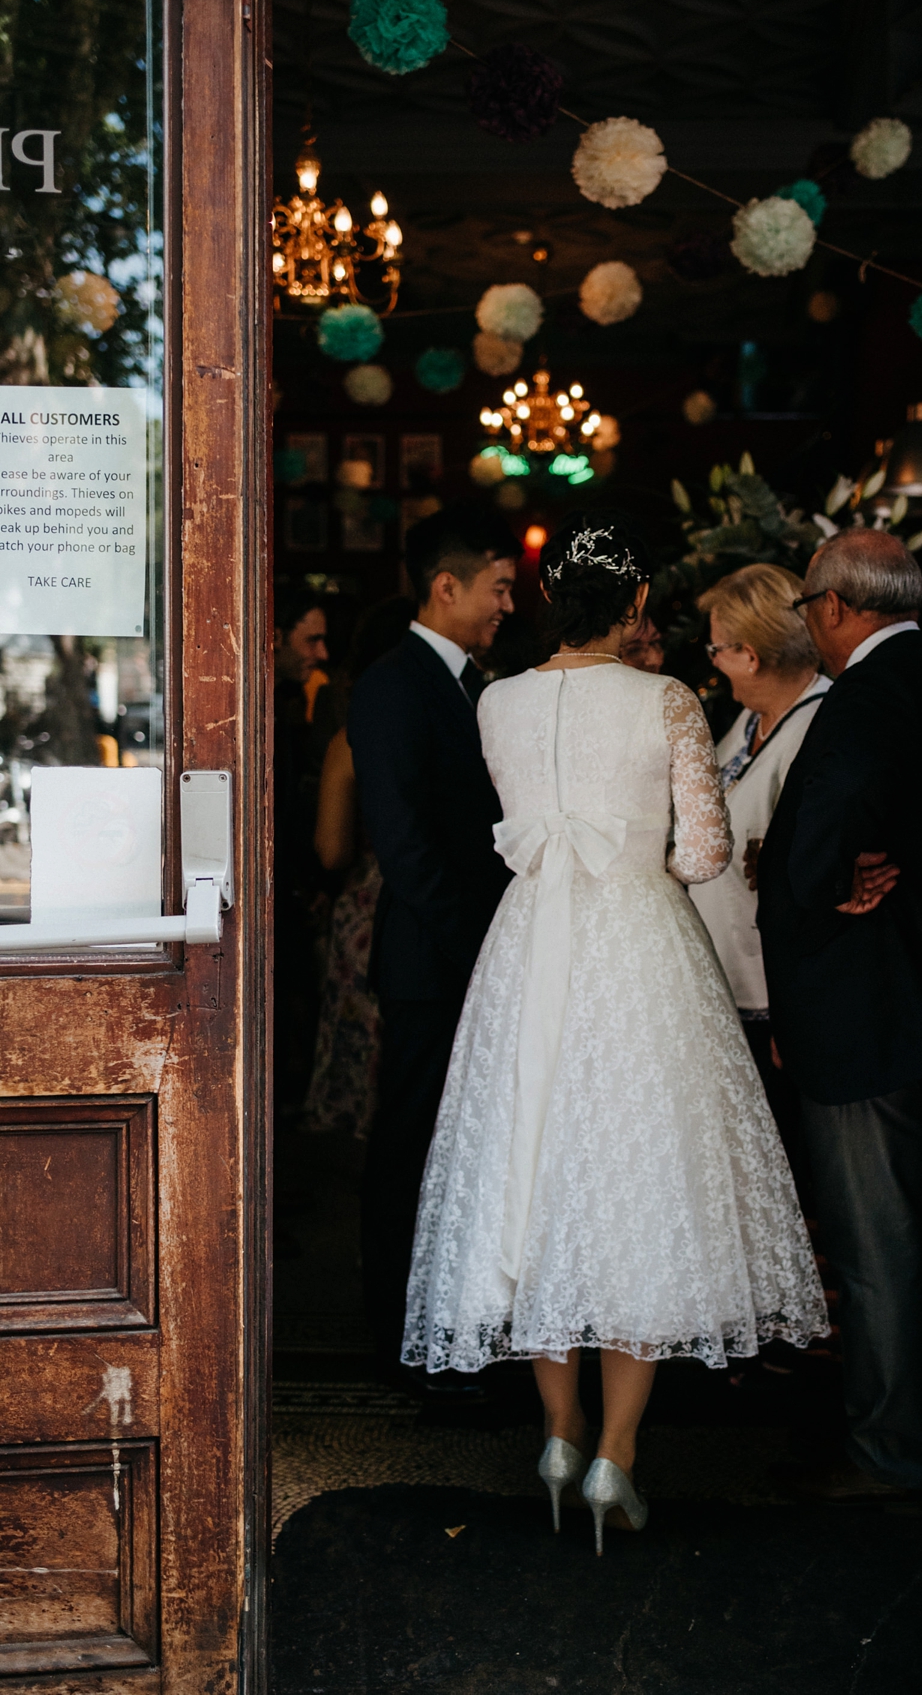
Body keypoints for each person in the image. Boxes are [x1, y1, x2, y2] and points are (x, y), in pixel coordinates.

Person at [401, 512, 828, 1551]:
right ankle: (617, 1455)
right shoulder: (669, 698)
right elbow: (704, 854)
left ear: (552, 601)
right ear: (635, 606)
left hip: (529, 948)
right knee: (641, 1180)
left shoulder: (496, 700)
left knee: (539, 1170)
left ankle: (559, 1432)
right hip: (638, 948)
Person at [755, 529, 922, 1500]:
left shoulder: (872, 692)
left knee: (876, 1244)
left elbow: (824, 822)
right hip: (901, 999)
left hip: (863, 1009)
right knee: (901, 1233)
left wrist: (821, 875)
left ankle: (892, 1453)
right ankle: (904, 1438)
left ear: (834, 606)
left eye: (808, 608)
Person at [348, 509, 518, 1379]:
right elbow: (405, 845)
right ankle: (398, 1337)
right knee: (411, 1149)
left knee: (464, 1150)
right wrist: (480, 945)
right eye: (498, 587)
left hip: (471, 955)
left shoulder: (473, 682)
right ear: (444, 587)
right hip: (431, 962)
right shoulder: (392, 685)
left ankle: (453, 1326)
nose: (508, 603)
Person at [689, 563, 830, 1176]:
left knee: (780, 1161)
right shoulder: (747, 721)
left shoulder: (817, 723)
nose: (712, 662)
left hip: (775, 993)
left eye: (717, 648)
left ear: (748, 654)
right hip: (728, 977)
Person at [304, 599, 414, 1139]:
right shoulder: (457, 727)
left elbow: (330, 848)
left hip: (367, 907)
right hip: (436, 902)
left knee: (359, 1024)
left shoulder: (349, 740)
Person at [273, 590, 330, 1112]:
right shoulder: (261, 714)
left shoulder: (289, 709)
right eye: (310, 639)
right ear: (273, 638)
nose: (321, 653)